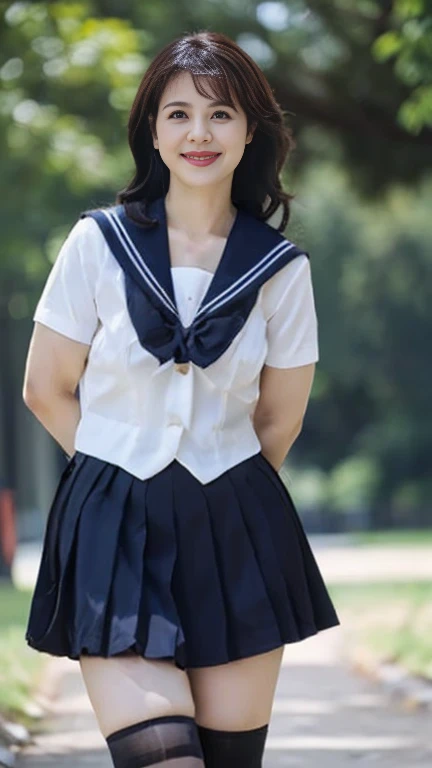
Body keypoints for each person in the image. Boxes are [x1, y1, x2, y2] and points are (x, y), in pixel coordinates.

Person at [22, 30, 340, 768]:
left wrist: (211, 480)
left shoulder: (280, 270)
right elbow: (46, 387)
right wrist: (120, 475)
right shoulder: (96, 245)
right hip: (114, 526)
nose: (199, 133)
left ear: (250, 130)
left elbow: (278, 418)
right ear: (152, 133)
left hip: (235, 529)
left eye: (221, 114)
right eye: (178, 114)